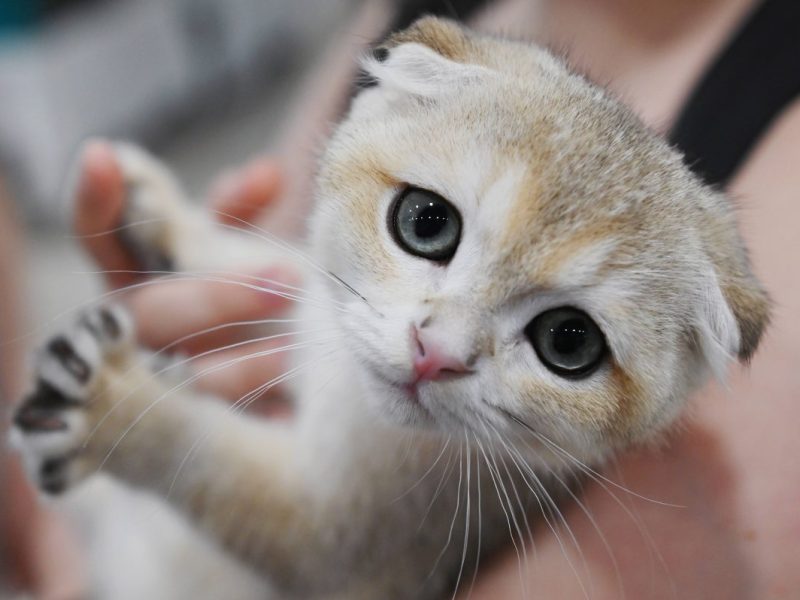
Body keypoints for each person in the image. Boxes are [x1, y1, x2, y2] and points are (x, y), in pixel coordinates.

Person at [25, 0, 800, 596]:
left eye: (567, 339)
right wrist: (207, 258)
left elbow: (335, 548)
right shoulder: (429, 45)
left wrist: (135, 423)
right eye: (427, 226)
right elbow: (324, 265)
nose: (440, 349)